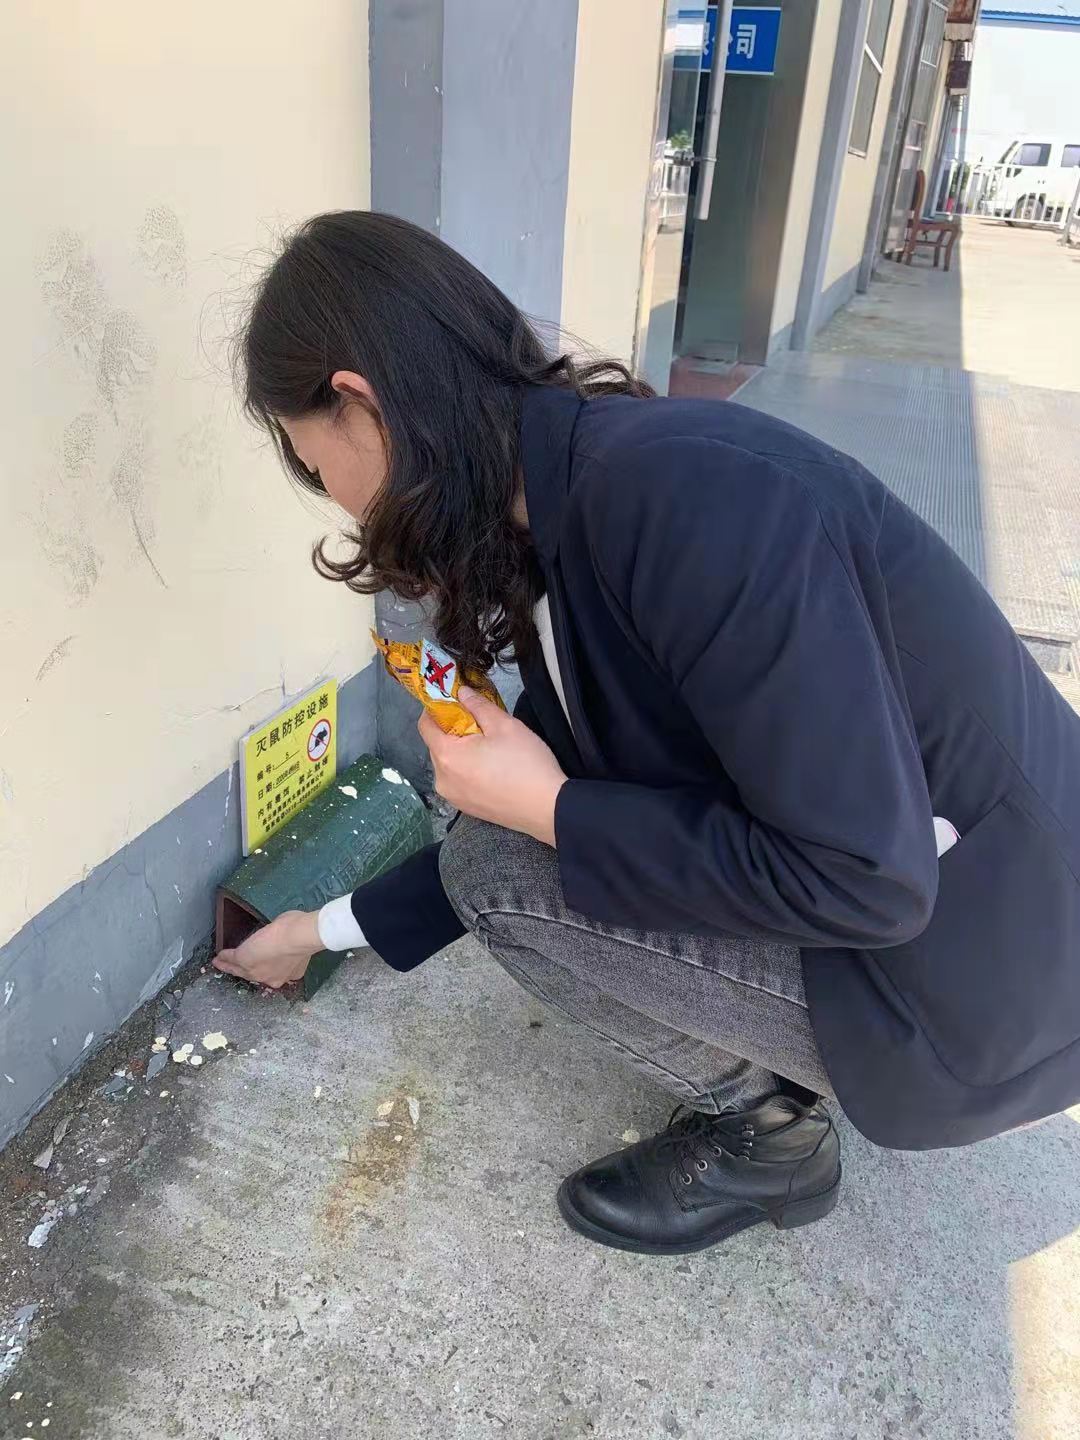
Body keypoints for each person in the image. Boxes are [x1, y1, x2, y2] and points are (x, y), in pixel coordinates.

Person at [216, 211, 1080, 1257]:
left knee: (500, 870)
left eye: (313, 464)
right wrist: (317, 932)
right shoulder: (582, 494)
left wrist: (551, 808)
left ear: (358, 403)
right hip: (977, 915)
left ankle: (772, 1139)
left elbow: (868, 882)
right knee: (507, 845)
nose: (336, 501)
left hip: (991, 985)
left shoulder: (689, 503)